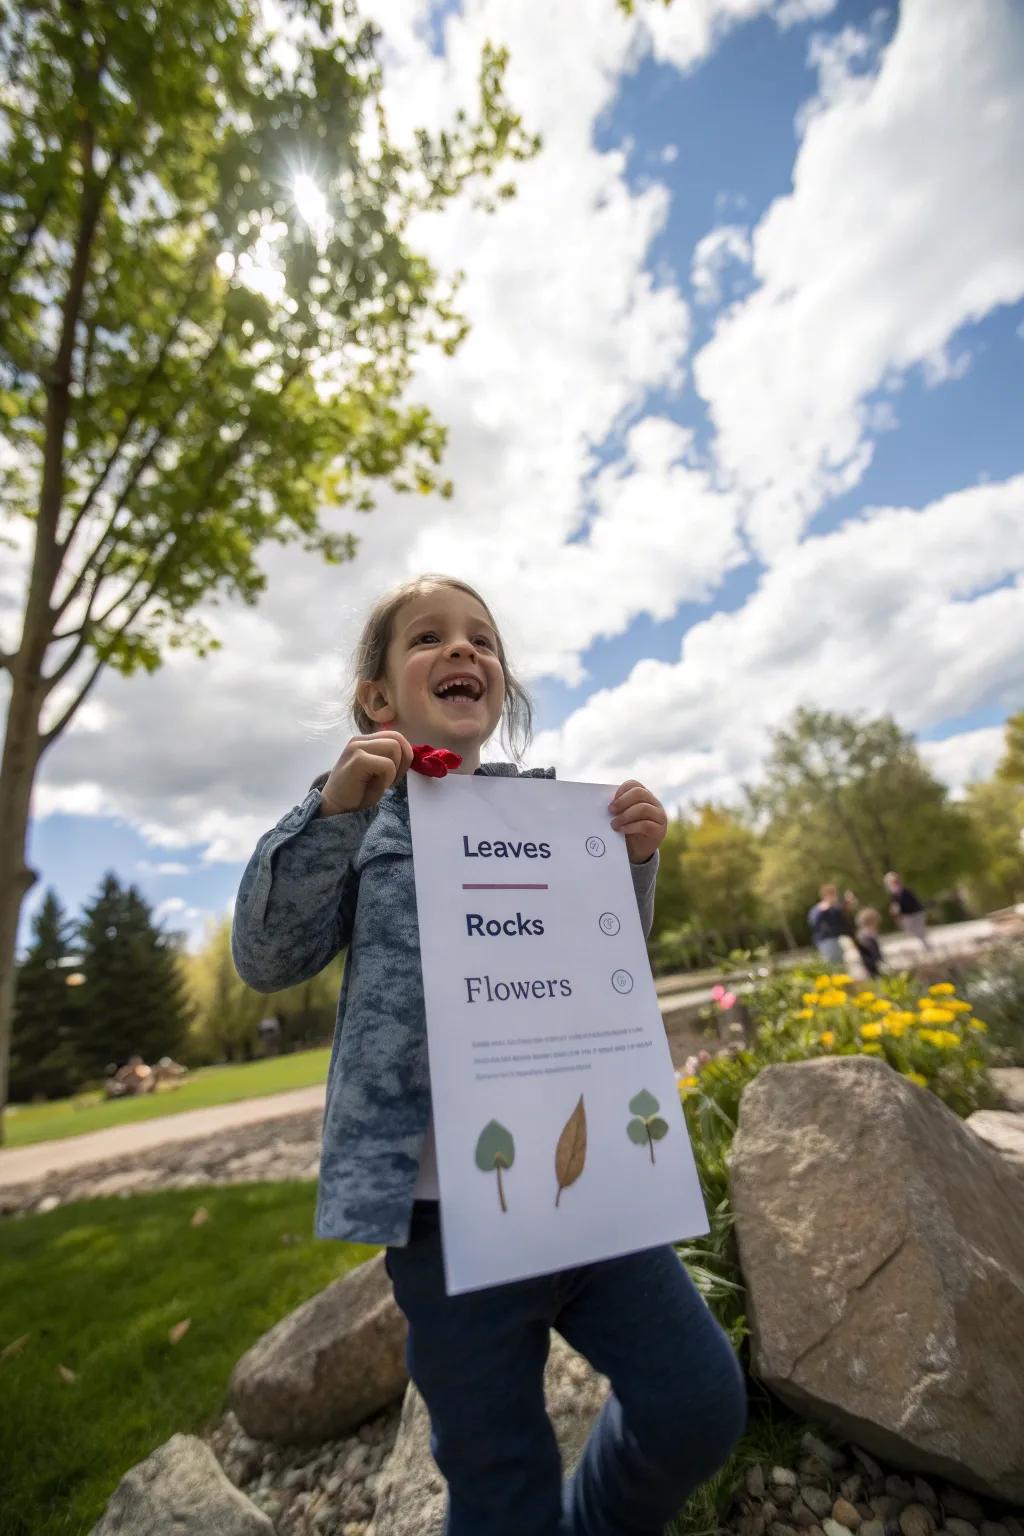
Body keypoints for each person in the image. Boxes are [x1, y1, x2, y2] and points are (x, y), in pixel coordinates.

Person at [232, 575, 745, 1536]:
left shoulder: (554, 821)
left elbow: (602, 970)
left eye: (482, 640)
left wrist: (633, 864)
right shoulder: (363, 816)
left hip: (586, 1184)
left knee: (697, 1403)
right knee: (499, 1481)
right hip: (441, 1218)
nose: (462, 651)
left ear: (500, 686)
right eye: (428, 638)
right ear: (378, 698)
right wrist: (331, 811)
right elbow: (266, 958)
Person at [806, 884, 857, 966]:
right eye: (832, 894)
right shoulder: (818, 909)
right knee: (835, 965)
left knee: (847, 965)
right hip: (828, 940)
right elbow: (814, 924)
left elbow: (846, 917)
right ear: (825, 896)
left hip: (841, 940)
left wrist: (849, 902)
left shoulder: (836, 908)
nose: (835, 897)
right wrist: (822, 910)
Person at [884, 871, 929, 948]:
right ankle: (923, 941)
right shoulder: (893, 895)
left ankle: (925, 943)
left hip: (916, 912)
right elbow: (895, 907)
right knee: (910, 931)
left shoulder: (906, 891)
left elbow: (913, 902)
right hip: (907, 915)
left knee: (919, 929)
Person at [853, 907, 883, 980]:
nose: (876, 927)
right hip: (870, 965)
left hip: (873, 963)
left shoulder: (867, 935)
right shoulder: (865, 937)